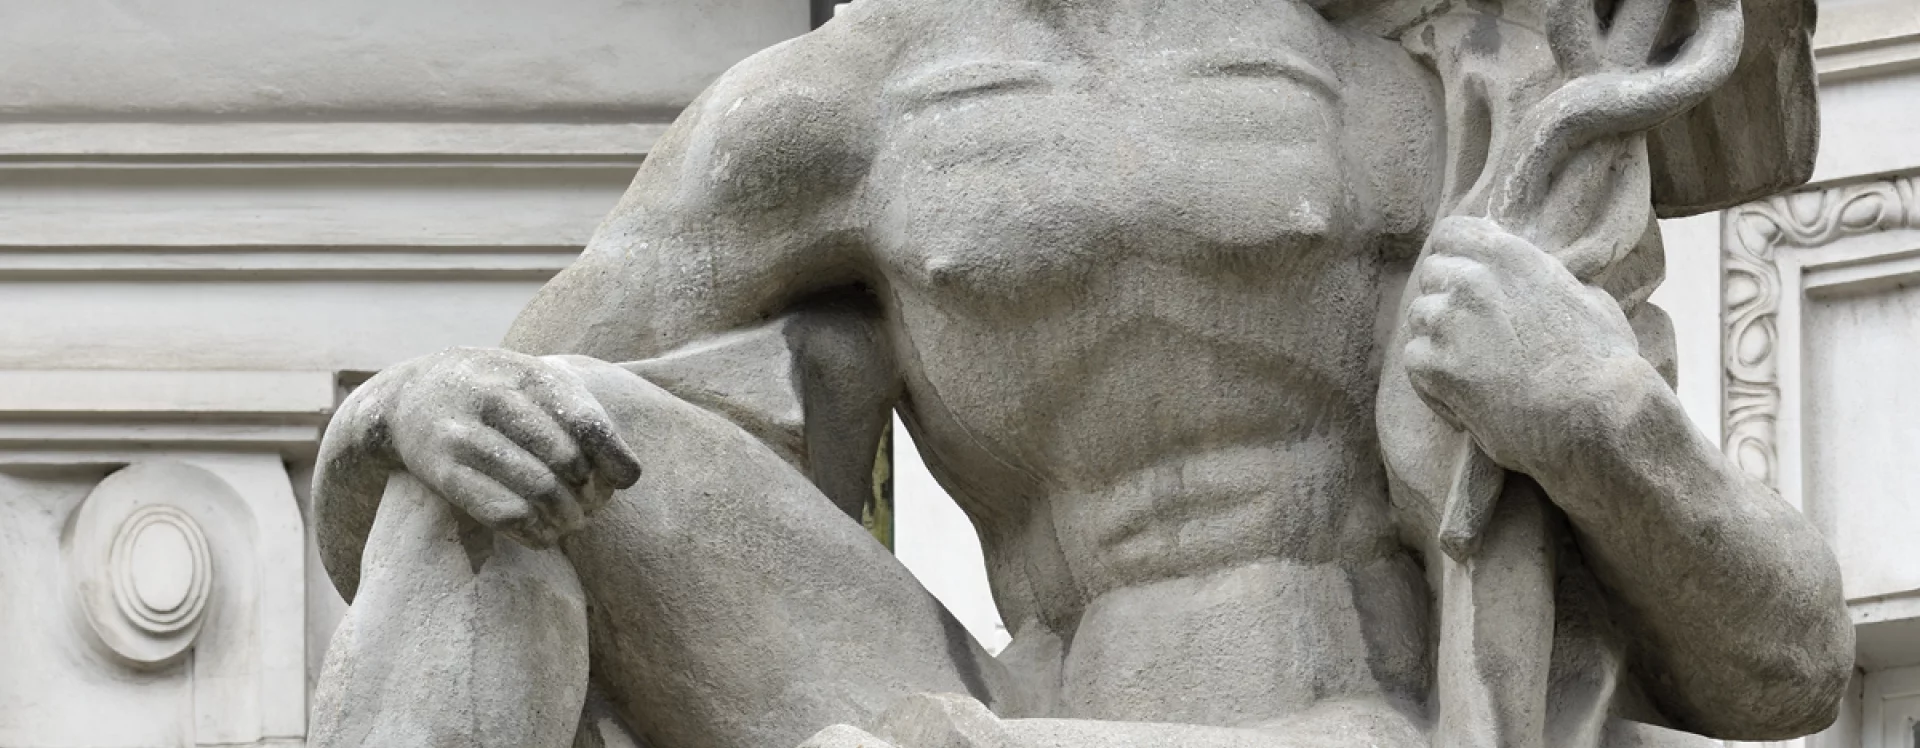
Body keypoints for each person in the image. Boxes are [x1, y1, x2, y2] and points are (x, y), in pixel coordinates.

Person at [308, 0, 1852, 745]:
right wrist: (389, 418)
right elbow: (491, 420)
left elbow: (1788, 663)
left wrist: (1600, 420)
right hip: (1002, 704)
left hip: (1342, 722)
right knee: (486, 460)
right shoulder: (836, 105)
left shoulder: (1445, 97)